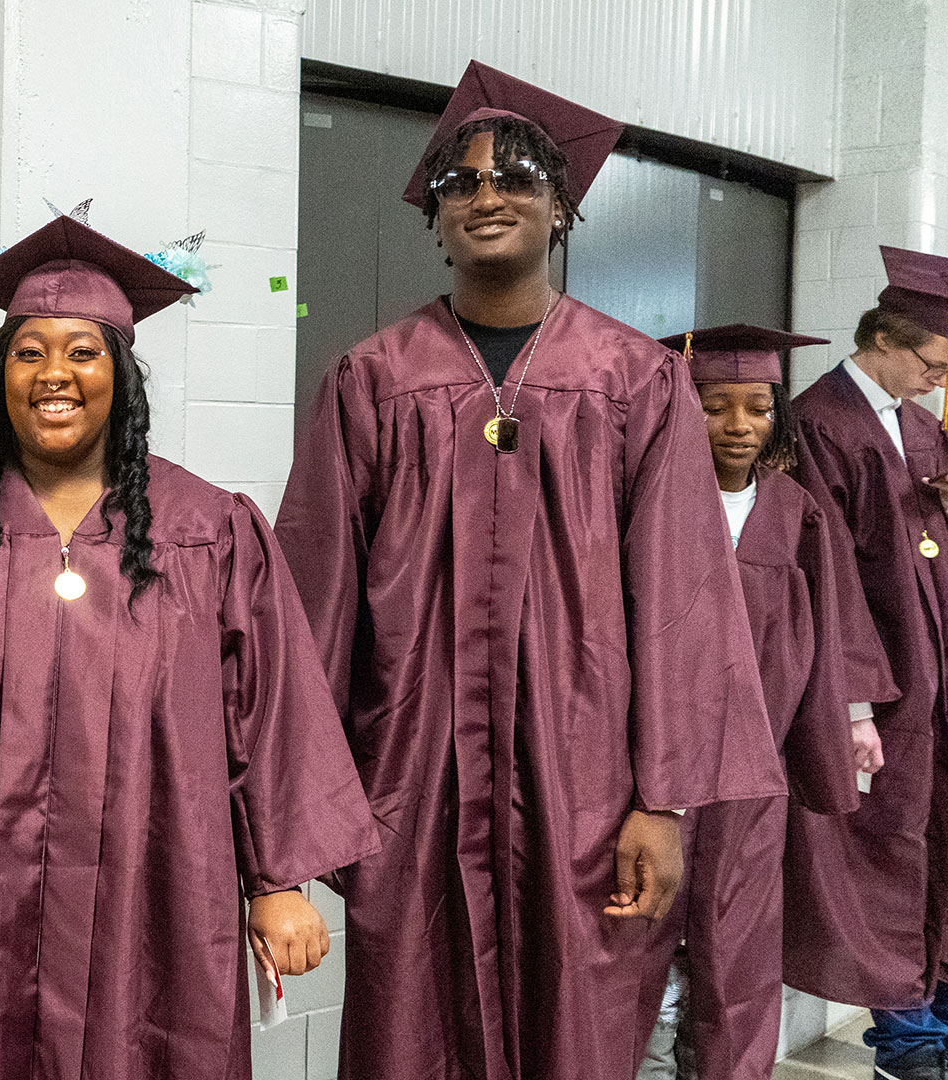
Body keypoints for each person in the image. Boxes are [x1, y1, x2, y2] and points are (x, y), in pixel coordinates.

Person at [0, 209, 378, 1079]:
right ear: (0, 372)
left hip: (149, 885)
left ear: (121, 376)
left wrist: (280, 883)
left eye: (83, 352)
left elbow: (268, 710)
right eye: (29, 351)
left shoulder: (209, 530)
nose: (54, 374)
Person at [272, 61, 785, 1080]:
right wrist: (305, 811)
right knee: (408, 1026)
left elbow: (683, 602)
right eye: (460, 183)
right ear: (435, 213)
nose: (487, 195)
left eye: (515, 176)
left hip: (588, 784)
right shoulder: (375, 380)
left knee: (580, 1022)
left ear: (561, 206)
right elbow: (312, 600)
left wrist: (663, 802)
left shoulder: (634, 379)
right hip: (413, 775)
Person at [635, 325, 896, 1080]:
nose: (739, 425)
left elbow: (834, 622)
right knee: (643, 946)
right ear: (685, 408)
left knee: (741, 954)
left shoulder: (794, 511)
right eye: (716, 407)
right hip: (658, 771)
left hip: (755, 772)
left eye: (757, 407)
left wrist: (852, 717)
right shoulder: (649, 504)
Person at [785, 246, 948, 1080]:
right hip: (884, 685)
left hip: (944, 679)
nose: (938, 379)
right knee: (885, 851)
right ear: (886, 339)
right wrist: (852, 702)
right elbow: (825, 572)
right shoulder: (820, 422)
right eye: (931, 363)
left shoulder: (923, 425)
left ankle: (947, 1011)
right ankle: (907, 1037)